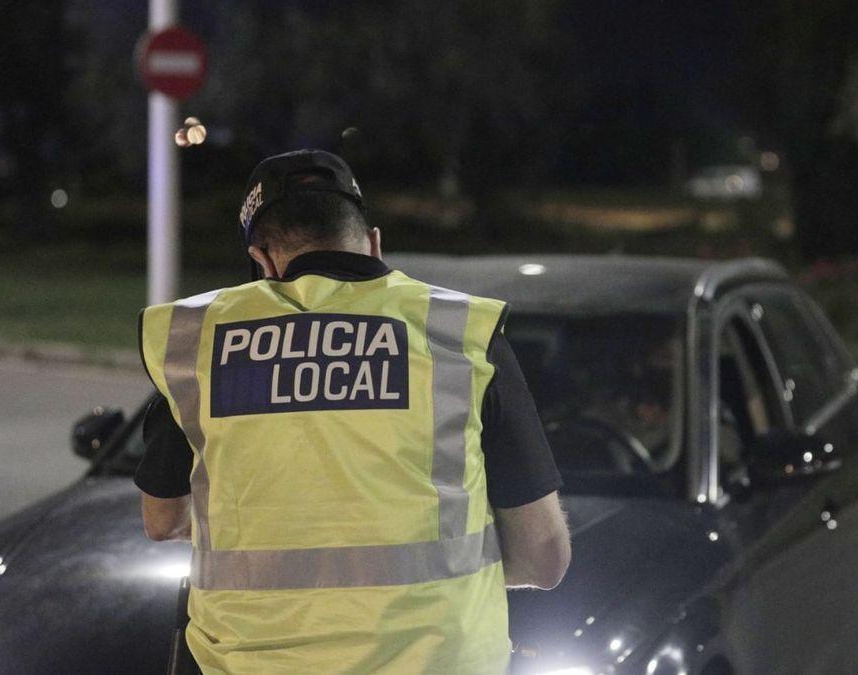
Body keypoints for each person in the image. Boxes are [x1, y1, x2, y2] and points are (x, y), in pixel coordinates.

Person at [135, 149, 571, 674]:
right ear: (372, 241)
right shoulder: (460, 332)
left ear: (264, 259)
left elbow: (162, 521)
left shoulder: (198, 339)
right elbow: (543, 559)